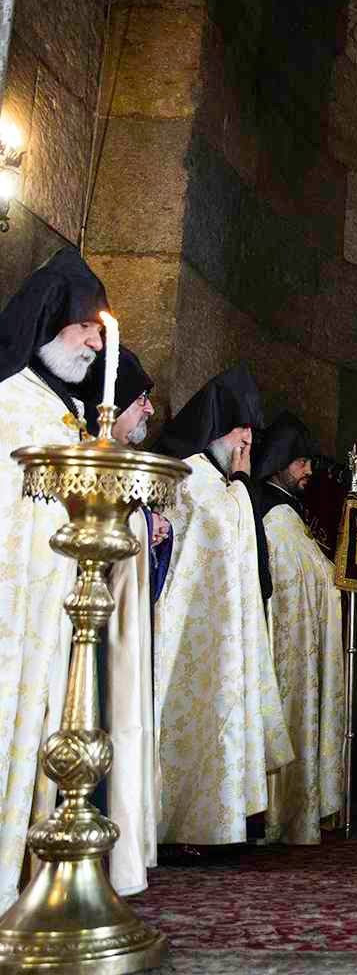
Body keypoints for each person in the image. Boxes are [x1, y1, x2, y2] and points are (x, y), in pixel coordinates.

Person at [0, 248, 105, 908]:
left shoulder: (60, 410)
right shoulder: (12, 402)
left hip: (54, 611)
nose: (97, 342)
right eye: (86, 326)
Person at [152, 365, 292, 847]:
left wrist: (239, 483)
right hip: (184, 634)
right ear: (215, 428)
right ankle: (176, 823)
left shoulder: (219, 480)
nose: (247, 441)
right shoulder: (190, 475)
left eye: (252, 432)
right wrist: (241, 484)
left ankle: (210, 822)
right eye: (240, 430)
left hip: (216, 635)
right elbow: (217, 524)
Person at [71, 346, 173, 894]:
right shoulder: (81, 456)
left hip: (120, 635)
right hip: (85, 636)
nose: (149, 410)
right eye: (141, 400)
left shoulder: (124, 466)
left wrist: (153, 532)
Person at [251, 411, 344, 845]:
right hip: (282, 650)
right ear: (278, 462)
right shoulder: (272, 514)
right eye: (301, 462)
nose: (308, 471)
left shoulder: (287, 510)